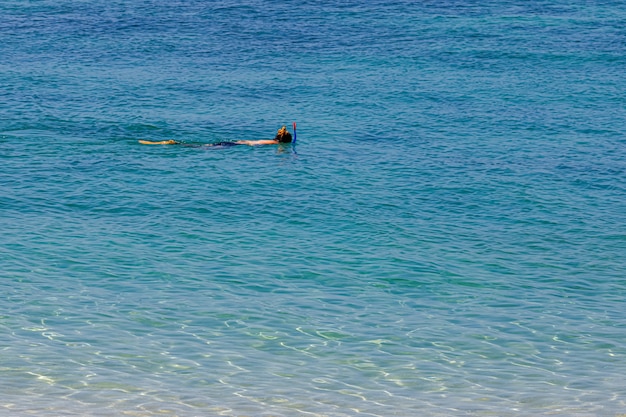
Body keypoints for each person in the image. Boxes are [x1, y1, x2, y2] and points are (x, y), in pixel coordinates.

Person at [138, 125, 293, 146]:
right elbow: (253, 144)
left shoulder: (271, 141)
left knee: (202, 147)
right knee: (200, 147)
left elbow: (251, 142)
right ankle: (172, 143)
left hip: (233, 143)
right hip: (233, 146)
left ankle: (173, 143)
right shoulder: (273, 144)